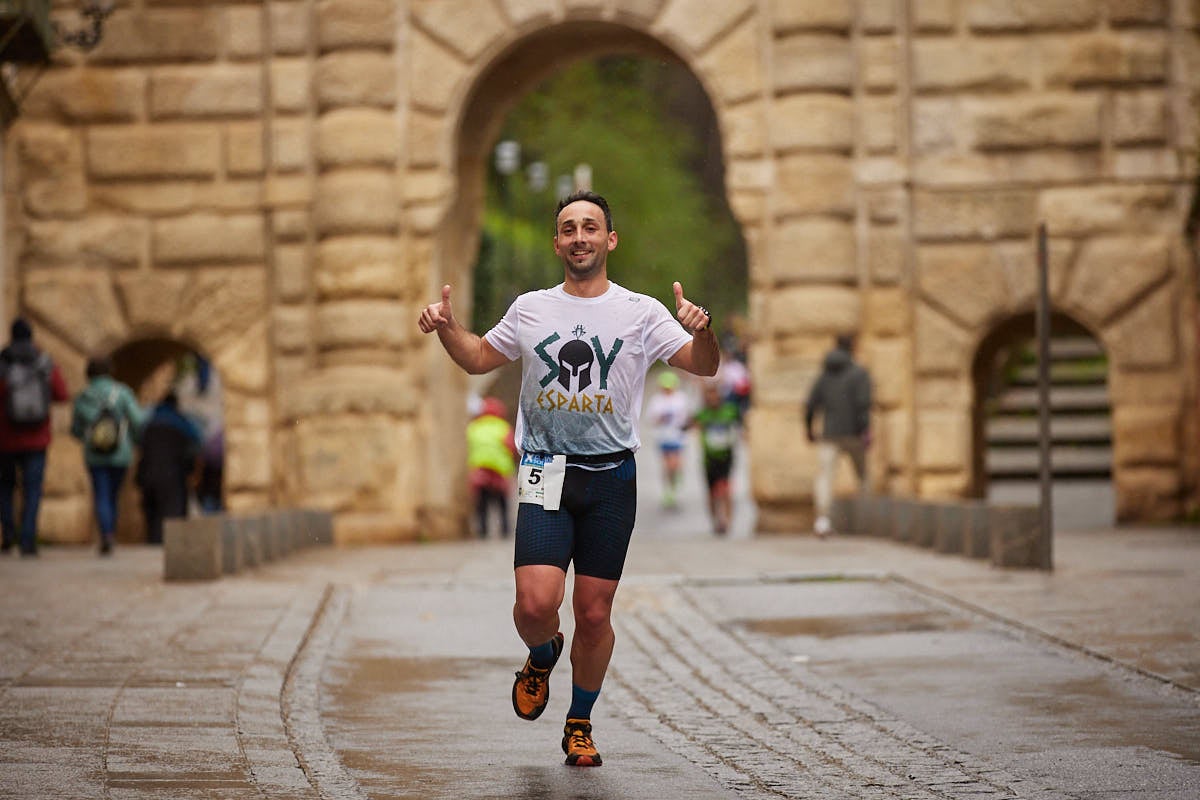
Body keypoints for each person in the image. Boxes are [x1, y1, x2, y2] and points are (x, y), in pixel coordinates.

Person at [418, 190, 718, 767]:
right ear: (557, 243)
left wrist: (701, 329)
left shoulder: (642, 311)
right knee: (535, 604)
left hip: (610, 477)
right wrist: (447, 327)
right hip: (544, 472)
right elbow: (481, 357)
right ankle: (541, 653)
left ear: (610, 240)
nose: (579, 236)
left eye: (590, 227)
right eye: (568, 228)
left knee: (595, 613)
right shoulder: (532, 308)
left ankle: (579, 721)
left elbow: (704, 366)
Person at [0, 318, 69, 556]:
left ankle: (8, 534)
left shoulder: (3, 362)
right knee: (32, 490)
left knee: (5, 488)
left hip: (5, 439)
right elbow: (62, 393)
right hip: (37, 438)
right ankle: (28, 540)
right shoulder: (43, 361)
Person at [70, 357, 146, 555]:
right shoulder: (122, 392)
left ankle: (106, 534)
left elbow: (75, 429)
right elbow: (137, 420)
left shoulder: (83, 396)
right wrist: (134, 440)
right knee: (113, 494)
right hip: (121, 453)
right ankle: (110, 531)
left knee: (101, 493)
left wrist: (88, 437)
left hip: (94, 454)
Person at [805, 333, 872, 538]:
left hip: (830, 433)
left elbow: (811, 403)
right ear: (853, 346)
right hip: (854, 432)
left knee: (825, 476)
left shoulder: (825, 374)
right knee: (863, 476)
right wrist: (865, 429)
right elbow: (863, 403)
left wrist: (808, 428)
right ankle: (868, 519)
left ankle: (823, 521)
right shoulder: (859, 373)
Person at [135, 391, 202, 544]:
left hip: (148, 473)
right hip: (173, 474)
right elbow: (197, 443)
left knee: (152, 511)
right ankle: (170, 545)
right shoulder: (182, 423)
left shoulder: (148, 422)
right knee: (172, 512)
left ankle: (154, 541)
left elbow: (138, 441)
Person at [688, 381, 741, 535]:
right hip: (709, 458)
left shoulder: (730, 410)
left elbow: (741, 423)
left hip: (726, 456)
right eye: (709, 396)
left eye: (715, 396)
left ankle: (727, 521)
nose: (713, 399)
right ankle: (715, 521)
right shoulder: (702, 413)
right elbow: (689, 424)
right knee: (711, 493)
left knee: (725, 489)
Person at [466, 396, 518, 538]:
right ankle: (505, 529)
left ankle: (482, 530)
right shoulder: (503, 427)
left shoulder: (474, 427)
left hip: (480, 470)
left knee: (482, 503)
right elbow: (512, 446)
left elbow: (468, 446)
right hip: (499, 471)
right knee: (502, 503)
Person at [645, 370, 690, 509]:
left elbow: (687, 416)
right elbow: (651, 419)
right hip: (663, 437)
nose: (667, 389)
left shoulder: (681, 398)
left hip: (678, 437)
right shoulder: (657, 400)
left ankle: (675, 483)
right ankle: (669, 491)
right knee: (667, 466)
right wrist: (660, 419)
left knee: (675, 465)